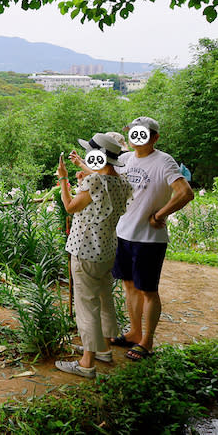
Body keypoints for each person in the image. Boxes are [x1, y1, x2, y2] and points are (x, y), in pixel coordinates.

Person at [72, 116, 194, 361]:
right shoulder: (125, 159)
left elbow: (185, 192)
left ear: (155, 137)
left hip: (149, 238)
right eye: (132, 132)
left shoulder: (163, 161)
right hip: (122, 234)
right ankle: (134, 332)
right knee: (129, 285)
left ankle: (147, 342)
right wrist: (83, 172)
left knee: (148, 290)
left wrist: (160, 214)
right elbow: (106, 177)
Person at [55, 133, 132, 378]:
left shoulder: (95, 182)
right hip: (107, 249)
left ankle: (86, 363)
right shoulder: (122, 183)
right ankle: (104, 349)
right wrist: (85, 172)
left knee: (86, 305)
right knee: (104, 299)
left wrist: (64, 180)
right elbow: (103, 184)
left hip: (85, 249)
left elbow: (69, 207)